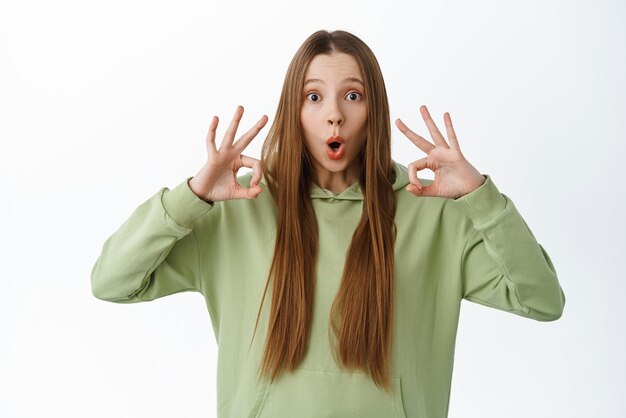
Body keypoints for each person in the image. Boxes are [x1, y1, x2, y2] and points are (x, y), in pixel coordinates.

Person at [91, 29, 566, 418]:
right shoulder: (239, 206)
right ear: (293, 113)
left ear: (372, 109)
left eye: (352, 96)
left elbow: (542, 300)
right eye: (313, 97)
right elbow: (113, 281)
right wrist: (190, 196)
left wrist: (480, 197)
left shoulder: (434, 211)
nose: (334, 115)